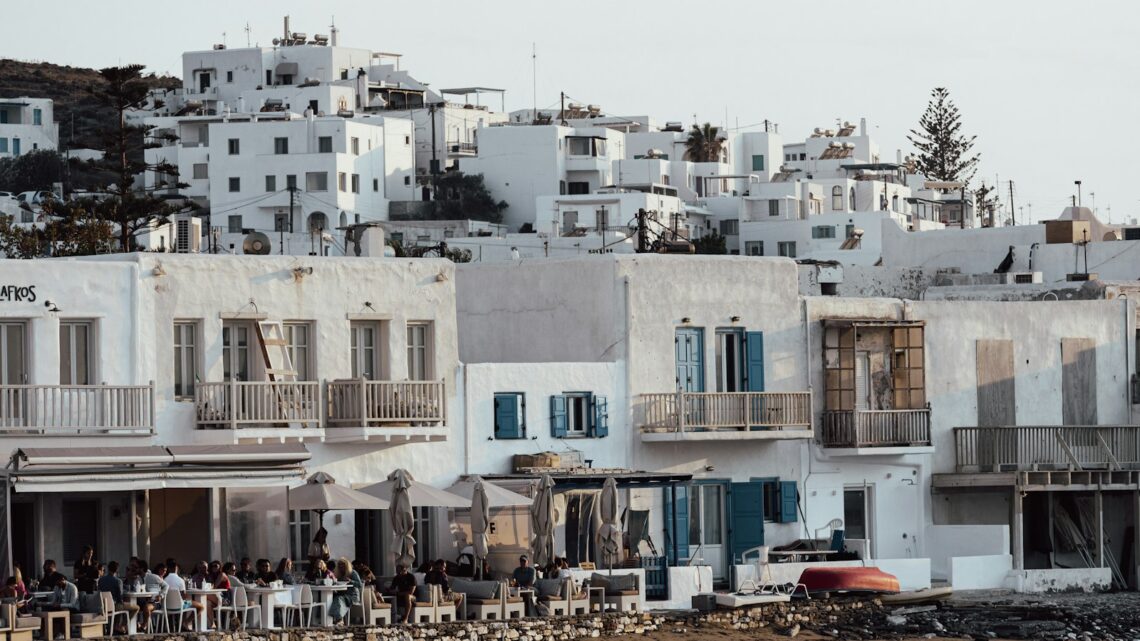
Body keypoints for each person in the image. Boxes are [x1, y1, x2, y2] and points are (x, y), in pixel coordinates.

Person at [97, 561, 139, 634]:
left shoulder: (101, 580)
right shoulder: (118, 581)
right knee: (136, 607)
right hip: (114, 605)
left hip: (103, 606)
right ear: (117, 570)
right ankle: (122, 625)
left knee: (120, 605)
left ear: (108, 568)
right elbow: (120, 597)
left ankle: (116, 626)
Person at [328, 558, 361, 625]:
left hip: (352, 596)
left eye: (343, 565)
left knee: (339, 598)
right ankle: (329, 619)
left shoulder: (352, 573)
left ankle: (339, 619)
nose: (341, 566)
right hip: (342, 594)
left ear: (347, 565)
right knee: (330, 598)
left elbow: (359, 584)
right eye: (339, 565)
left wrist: (351, 581)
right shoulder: (338, 573)